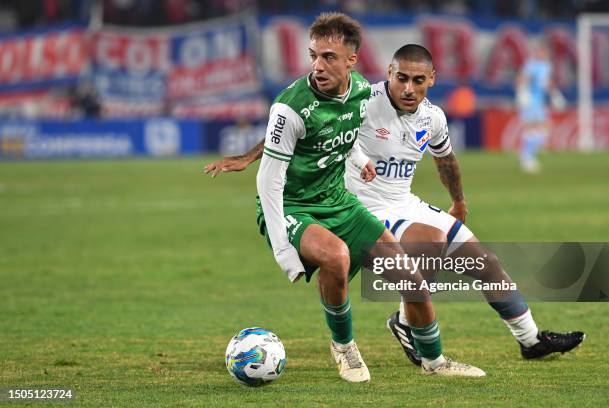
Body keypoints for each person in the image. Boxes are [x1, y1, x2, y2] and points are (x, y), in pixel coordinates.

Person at [205, 43, 585, 368]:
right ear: (389, 72)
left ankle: (530, 341)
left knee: (484, 263)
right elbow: (295, 129)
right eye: (401, 77)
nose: (408, 87)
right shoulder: (361, 99)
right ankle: (408, 322)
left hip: (406, 202)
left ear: (431, 79)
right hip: (362, 204)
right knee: (431, 243)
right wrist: (249, 155)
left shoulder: (433, 118)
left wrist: (458, 200)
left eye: (418, 80)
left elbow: (446, 160)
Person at [211, 13, 485, 382]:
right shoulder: (290, 106)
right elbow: (269, 180)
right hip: (294, 206)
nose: (318, 66)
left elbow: (345, 130)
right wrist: (283, 251)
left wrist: (359, 159)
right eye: (314, 56)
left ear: (351, 61)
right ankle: (344, 348)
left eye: (328, 57)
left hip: (337, 200)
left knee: (410, 278)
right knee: (336, 257)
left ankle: (435, 363)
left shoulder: (359, 92)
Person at [515, 42, 565, 173]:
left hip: (539, 102)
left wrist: (555, 95)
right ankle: (527, 157)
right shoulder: (531, 65)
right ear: (538, 52)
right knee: (534, 128)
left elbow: (546, 83)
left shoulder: (546, 66)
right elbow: (522, 79)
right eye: (542, 52)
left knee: (542, 129)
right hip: (531, 102)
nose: (544, 54)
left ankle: (527, 155)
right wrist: (522, 93)